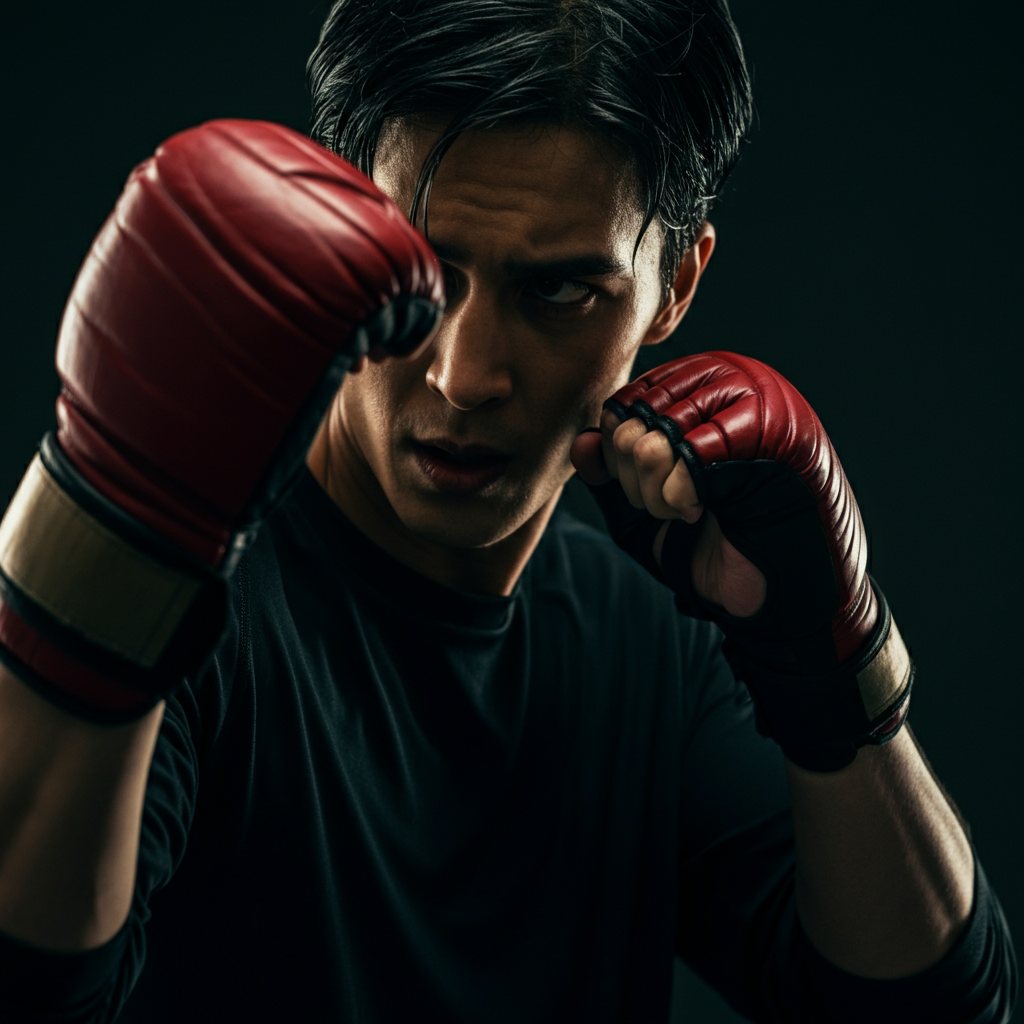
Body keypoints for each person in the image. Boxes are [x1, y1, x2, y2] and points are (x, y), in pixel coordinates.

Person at [0, 1, 1015, 1021]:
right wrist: (106, 538)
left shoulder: (649, 642)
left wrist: (830, 667)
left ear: (675, 288)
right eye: (426, 271)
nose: (464, 373)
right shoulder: (182, 608)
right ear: (341, 212)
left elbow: (941, 1011)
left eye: (560, 294)